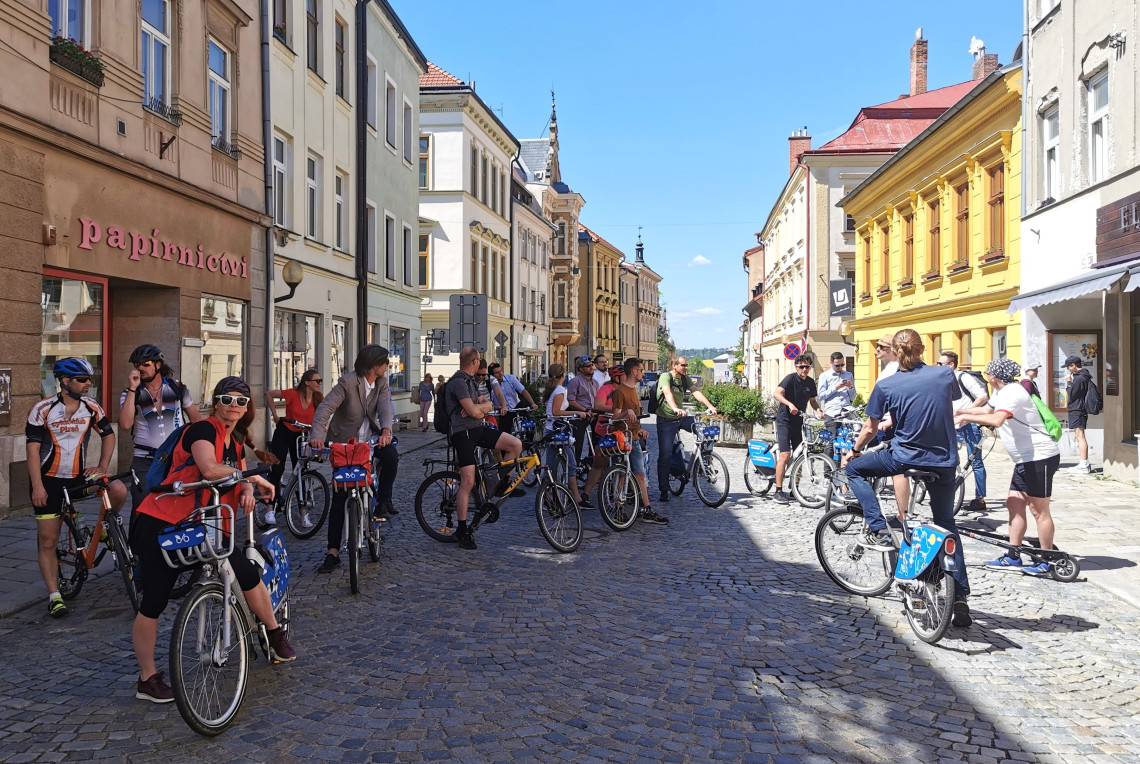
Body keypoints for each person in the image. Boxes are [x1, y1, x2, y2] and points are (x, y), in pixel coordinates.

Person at [130, 376, 294, 703]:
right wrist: (254, 477)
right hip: (161, 523)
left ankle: (274, 632)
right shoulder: (201, 430)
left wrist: (247, 489)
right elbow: (207, 468)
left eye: (241, 401)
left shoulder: (233, 442)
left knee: (246, 572)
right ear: (215, 402)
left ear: (247, 409)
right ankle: (147, 679)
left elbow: (238, 476)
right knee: (154, 601)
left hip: (200, 526)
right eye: (227, 399)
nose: (234, 406)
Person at [845, 329, 972, 627]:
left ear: (894, 351)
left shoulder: (887, 385)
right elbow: (950, 400)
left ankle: (877, 528)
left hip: (905, 457)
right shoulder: (944, 376)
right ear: (922, 348)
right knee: (946, 524)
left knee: (854, 470)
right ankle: (961, 595)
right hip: (944, 460)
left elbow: (870, 428)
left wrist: (855, 450)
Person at [27, 358, 128, 618]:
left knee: (117, 489)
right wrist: (37, 486)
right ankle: (55, 596)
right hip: (48, 481)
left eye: (89, 379)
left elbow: (109, 434)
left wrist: (102, 466)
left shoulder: (91, 407)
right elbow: (33, 449)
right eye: (82, 380)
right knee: (48, 541)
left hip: (77, 477)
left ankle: (104, 529)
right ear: (65, 381)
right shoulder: (43, 409)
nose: (88, 384)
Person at [955, 359, 1061, 576]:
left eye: (987, 372)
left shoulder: (1012, 392)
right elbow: (987, 409)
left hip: (1039, 457)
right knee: (1014, 503)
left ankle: (1046, 560)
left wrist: (965, 417)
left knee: (1038, 510)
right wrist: (959, 413)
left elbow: (998, 420)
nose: (985, 375)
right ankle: (1013, 555)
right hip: (1024, 459)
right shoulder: (1002, 392)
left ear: (995, 376)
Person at [309, 345, 401, 573]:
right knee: (340, 496)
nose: (387, 366)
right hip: (345, 444)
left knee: (391, 457)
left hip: (370, 440)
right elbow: (325, 409)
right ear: (374, 365)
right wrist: (318, 437)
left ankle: (382, 501)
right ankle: (333, 553)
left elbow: (385, 408)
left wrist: (387, 431)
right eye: (385, 362)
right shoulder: (348, 382)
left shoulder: (381, 383)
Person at [118, 344, 202, 544]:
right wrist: (132, 388)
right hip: (144, 460)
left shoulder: (177, 388)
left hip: (175, 459)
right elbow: (125, 424)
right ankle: (138, 554)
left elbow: (196, 420)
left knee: (176, 505)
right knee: (142, 506)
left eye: (145, 364)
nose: (140, 368)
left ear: (158, 364)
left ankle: (172, 547)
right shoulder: (131, 393)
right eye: (137, 365)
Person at [445, 348, 524, 550]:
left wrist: (480, 409)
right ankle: (462, 531)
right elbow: (475, 409)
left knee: (515, 444)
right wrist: (479, 409)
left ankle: (500, 484)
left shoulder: (473, 381)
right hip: (462, 434)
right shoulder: (458, 382)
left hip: (478, 429)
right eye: (479, 361)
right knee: (468, 481)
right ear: (474, 361)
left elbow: (485, 405)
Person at [655, 356, 718, 504]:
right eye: (683, 365)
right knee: (665, 455)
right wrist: (675, 408)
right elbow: (667, 393)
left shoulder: (685, 378)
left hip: (681, 418)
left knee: (702, 429)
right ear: (674, 365)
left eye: (686, 365)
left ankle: (705, 460)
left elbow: (696, 392)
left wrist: (710, 406)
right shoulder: (666, 376)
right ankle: (664, 489)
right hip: (666, 419)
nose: (686, 368)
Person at [264, 368, 323, 525]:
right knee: (278, 468)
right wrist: (276, 416)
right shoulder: (293, 394)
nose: (319, 384)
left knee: (300, 473)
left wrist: (322, 427)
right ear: (307, 382)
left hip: (301, 436)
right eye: (317, 381)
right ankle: (270, 507)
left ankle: (303, 513)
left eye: (320, 381)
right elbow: (269, 394)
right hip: (284, 432)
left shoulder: (318, 398)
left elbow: (323, 414)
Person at [611, 358, 664, 524]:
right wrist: (626, 412)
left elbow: (634, 414)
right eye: (641, 370)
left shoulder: (634, 389)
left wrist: (639, 429)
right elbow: (615, 417)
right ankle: (618, 509)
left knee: (640, 474)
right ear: (634, 372)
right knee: (621, 475)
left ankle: (646, 508)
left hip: (633, 437)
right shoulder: (620, 391)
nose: (642, 373)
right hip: (622, 438)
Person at [939, 350, 989, 513]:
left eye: (941, 364)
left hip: (969, 425)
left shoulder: (963, 377)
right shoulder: (943, 379)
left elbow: (983, 397)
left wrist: (967, 413)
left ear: (951, 365)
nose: (938, 366)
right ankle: (948, 494)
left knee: (975, 461)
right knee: (947, 459)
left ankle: (980, 499)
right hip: (951, 424)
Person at [770, 356, 821, 504]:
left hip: (799, 422)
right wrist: (790, 404)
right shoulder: (790, 379)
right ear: (796, 367)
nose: (804, 369)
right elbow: (776, 393)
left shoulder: (810, 382)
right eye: (801, 366)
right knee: (785, 455)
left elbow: (812, 401)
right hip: (784, 421)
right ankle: (778, 491)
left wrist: (818, 410)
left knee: (799, 456)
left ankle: (794, 488)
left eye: (807, 367)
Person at [543, 364, 589, 507]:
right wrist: (576, 413)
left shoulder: (551, 389)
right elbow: (556, 411)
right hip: (558, 432)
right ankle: (576, 497)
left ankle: (547, 496)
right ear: (563, 376)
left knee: (550, 466)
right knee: (572, 463)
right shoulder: (560, 389)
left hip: (550, 430)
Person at [566, 356, 599, 464]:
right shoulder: (575, 381)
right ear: (581, 369)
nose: (591, 367)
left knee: (597, 440)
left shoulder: (595, 382)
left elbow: (596, 400)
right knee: (578, 442)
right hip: (580, 414)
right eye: (588, 366)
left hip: (593, 413)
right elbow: (571, 401)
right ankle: (575, 465)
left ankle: (592, 462)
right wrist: (585, 411)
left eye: (592, 365)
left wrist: (594, 411)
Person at [817, 351, 856, 444]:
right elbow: (821, 396)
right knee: (831, 441)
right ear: (831, 363)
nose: (840, 367)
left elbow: (853, 397)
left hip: (847, 410)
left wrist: (850, 387)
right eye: (837, 365)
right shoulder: (824, 376)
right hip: (832, 412)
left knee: (851, 439)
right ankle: (827, 458)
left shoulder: (848, 375)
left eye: (842, 364)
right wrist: (836, 387)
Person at [488, 362, 536, 437]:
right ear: (492, 375)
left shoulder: (511, 378)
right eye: (497, 373)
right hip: (504, 411)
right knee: (504, 434)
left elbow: (523, 391)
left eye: (501, 371)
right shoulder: (490, 385)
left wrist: (532, 403)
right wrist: (499, 408)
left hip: (517, 406)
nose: (500, 374)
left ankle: (529, 446)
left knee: (529, 426)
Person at [1064, 355, 1092, 474]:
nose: (1068, 369)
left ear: (1074, 365)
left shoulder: (1080, 378)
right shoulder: (1082, 376)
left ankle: (1084, 464)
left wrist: (1069, 383)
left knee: (1080, 436)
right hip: (1078, 408)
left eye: (1068, 367)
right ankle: (1083, 463)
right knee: (1079, 435)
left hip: (1078, 409)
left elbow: (1073, 394)